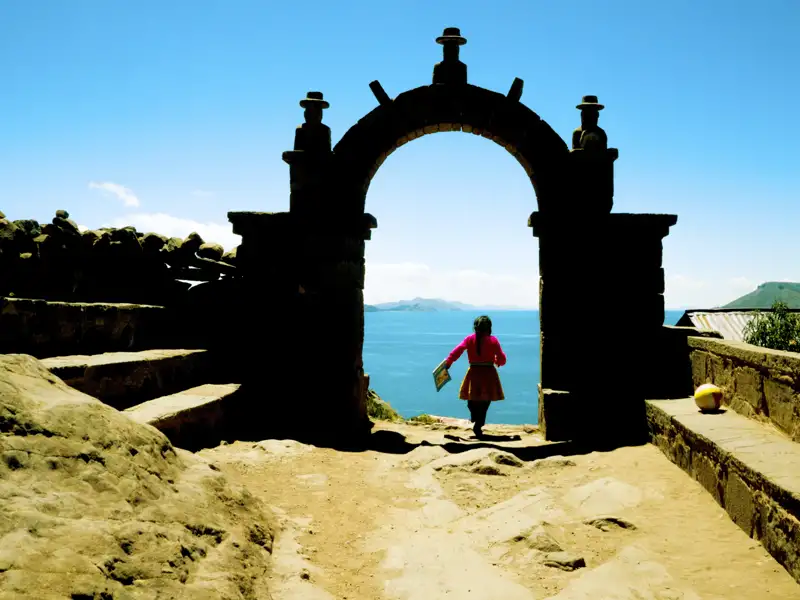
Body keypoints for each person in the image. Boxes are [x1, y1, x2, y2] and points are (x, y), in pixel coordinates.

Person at [443, 315, 507, 438]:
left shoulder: (469, 339)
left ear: (475, 327)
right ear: (489, 328)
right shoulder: (493, 340)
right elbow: (502, 358)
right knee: (485, 401)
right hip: (489, 373)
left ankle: (474, 415)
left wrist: (449, 362)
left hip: (474, 372)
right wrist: (497, 361)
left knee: (471, 398)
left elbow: (457, 351)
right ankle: (479, 423)